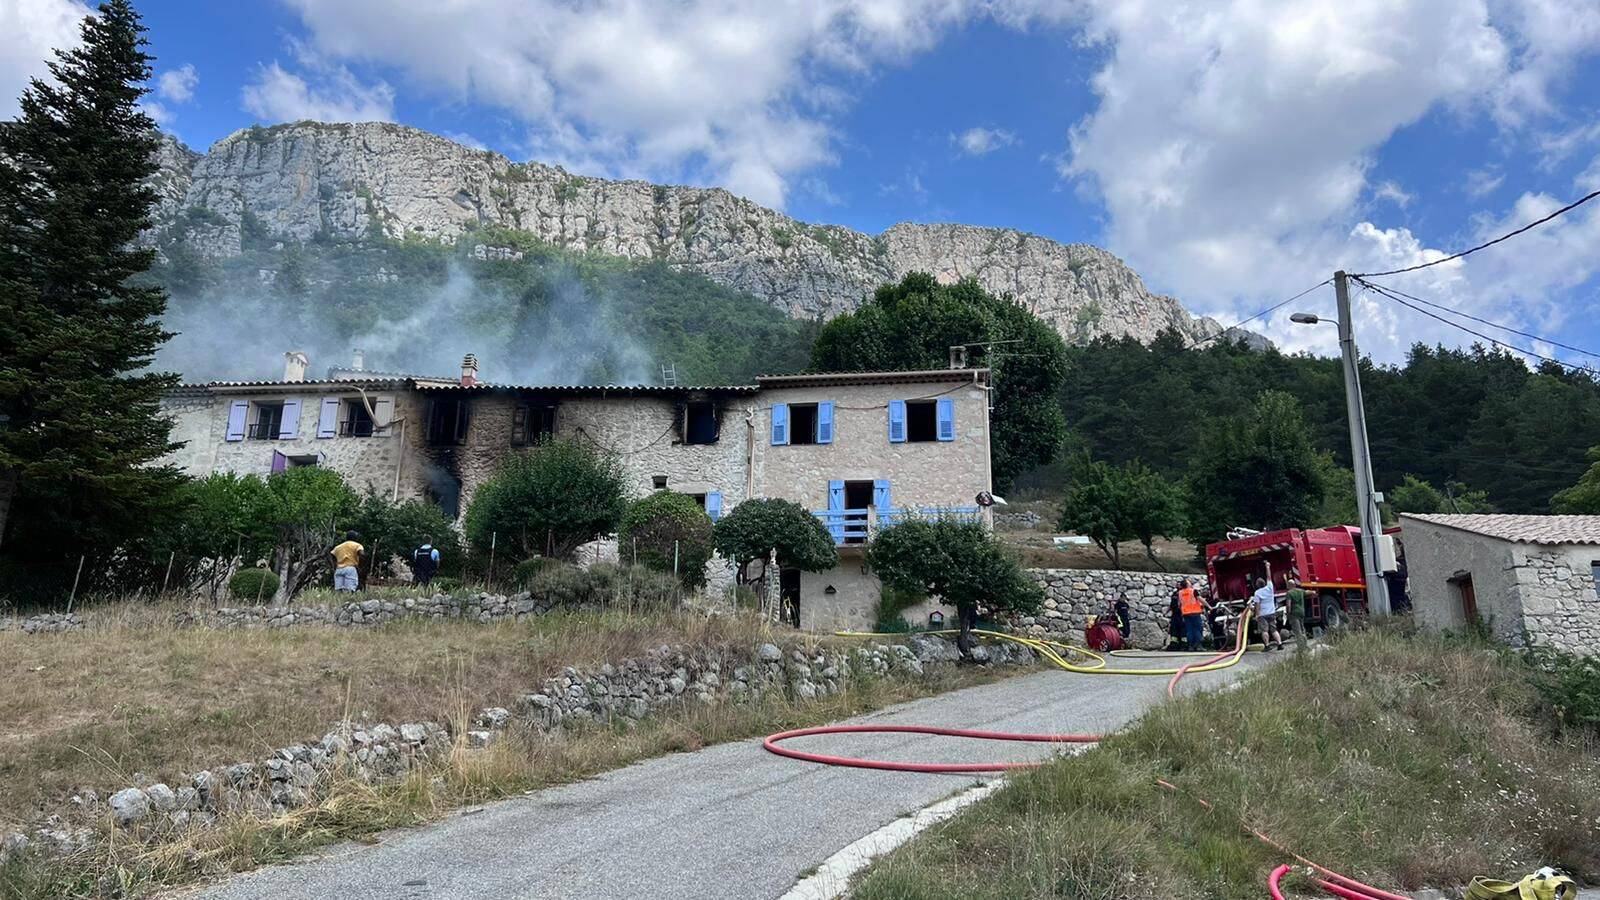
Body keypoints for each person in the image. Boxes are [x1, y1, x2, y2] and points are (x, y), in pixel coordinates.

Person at [1252, 577, 1283, 651]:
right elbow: (1269, 577)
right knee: (1274, 630)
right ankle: (1280, 644)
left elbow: (1258, 604)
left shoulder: (1257, 593)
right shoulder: (1270, 588)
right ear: (1264, 583)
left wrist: (1257, 614)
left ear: (1257, 585)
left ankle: (1267, 645)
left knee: (1264, 631)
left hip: (1262, 615)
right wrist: (1267, 567)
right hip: (1271, 613)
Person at [1177, 578, 1207, 652]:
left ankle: (1191, 646)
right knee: (1198, 629)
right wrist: (1209, 606)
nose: (1190, 583)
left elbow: (1179, 604)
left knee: (1189, 630)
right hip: (1195, 613)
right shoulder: (1193, 591)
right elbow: (1201, 600)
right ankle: (1199, 646)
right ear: (1187, 584)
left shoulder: (1180, 593)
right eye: (1189, 582)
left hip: (1186, 613)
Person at [1284, 577, 1308, 653]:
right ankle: (1305, 645)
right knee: (1303, 630)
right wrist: (1313, 592)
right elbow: (1309, 593)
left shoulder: (1289, 593)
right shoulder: (1300, 591)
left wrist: (1288, 614)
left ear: (1289, 585)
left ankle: (1301, 648)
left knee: (1297, 632)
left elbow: (1288, 605)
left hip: (1294, 614)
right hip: (1302, 613)